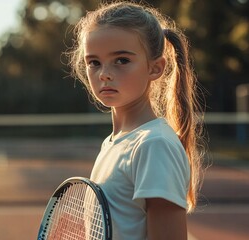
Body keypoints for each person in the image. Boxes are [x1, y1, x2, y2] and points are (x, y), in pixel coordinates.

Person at [67, 1, 206, 239]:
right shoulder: (114, 143)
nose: (104, 73)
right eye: (94, 62)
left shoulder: (154, 145)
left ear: (155, 68)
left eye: (121, 60)